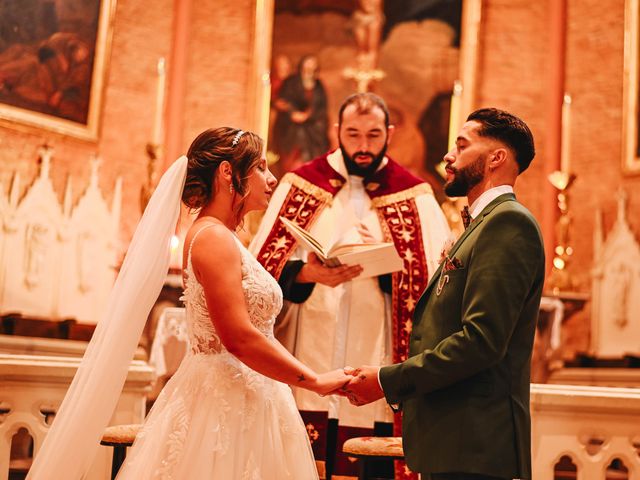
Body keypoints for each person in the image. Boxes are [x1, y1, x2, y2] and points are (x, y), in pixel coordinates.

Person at [27, 127, 351, 480]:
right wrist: (315, 381)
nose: (271, 178)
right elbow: (238, 337)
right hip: (222, 404)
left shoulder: (222, 236)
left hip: (249, 396)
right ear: (228, 172)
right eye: (259, 167)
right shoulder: (212, 238)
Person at [250, 92, 450, 477]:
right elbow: (262, 269)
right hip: (309, 348)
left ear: (389, 133)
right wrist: (308, 274)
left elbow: (432, 283)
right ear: (337, 131)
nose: (362, 146)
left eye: (373, 135)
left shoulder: (415, 194)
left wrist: (385, 265)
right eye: (354, 134)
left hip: (377, 347)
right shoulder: (300, 185)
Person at [343, 108, 545, 480]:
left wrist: (388, 380)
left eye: (462, 145)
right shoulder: (481, 225)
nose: (448, 156)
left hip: (474, 446)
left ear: (496, 158)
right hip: (454, 443)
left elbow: (480, 341)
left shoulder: (508, 223)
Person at [272, 54, 329, 174]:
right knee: (297, 140)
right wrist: (293, 113)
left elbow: (321, 107)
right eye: (308, 64)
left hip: (312, 127)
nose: (310, 67)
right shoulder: (291, 82)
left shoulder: (318, 85)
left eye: (313, 64)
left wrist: (308, 115)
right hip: (291, 126)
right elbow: (284, 101)